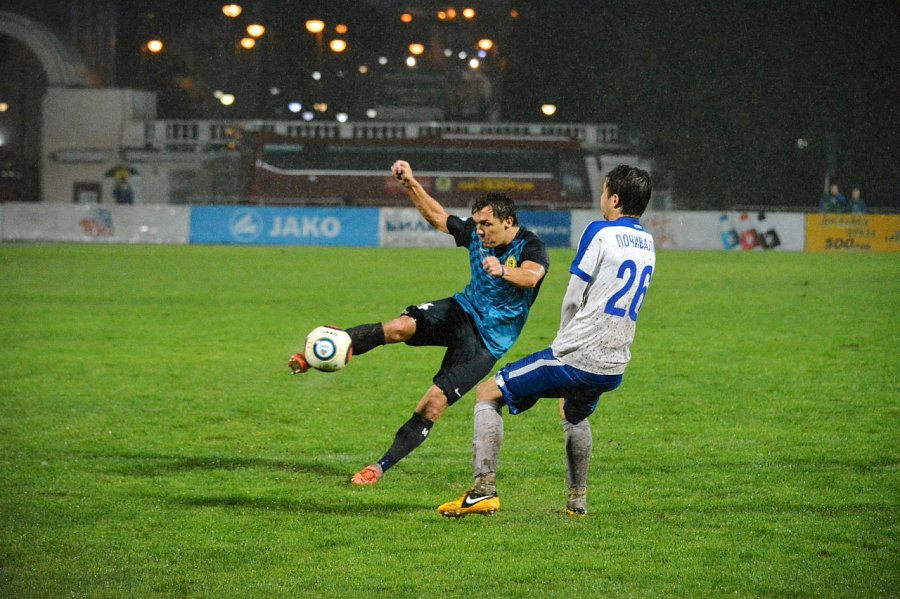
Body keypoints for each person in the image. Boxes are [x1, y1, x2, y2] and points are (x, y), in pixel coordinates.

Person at [289, 159, 549, 486]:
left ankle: (378, 467)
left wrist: (503, 270)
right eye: (477, 224)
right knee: (399, 326)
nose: (480, 231)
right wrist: (410, 183)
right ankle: (316, 355)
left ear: (508, 221)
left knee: (432, 404)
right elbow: (438, 217)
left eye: (487, 224)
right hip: (461, 309)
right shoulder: (475, 234)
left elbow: (531, 276)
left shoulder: (531, 245)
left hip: (487, 342)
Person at [437, 164, 655, 518]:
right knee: (573, 411)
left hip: (577, 356)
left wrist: (563, 343)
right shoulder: (648, 242)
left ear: (614, 199)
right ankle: (577, 503)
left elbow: (573, 297)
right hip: (615, 363)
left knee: (488, 392)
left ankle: (482, 492)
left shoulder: (600, 231)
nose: (601, 198)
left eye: (604, 191)